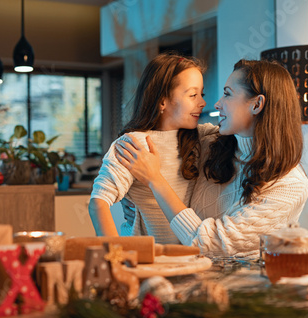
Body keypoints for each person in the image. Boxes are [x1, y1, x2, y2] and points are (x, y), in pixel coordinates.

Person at [115, 59, 308, 257]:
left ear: (257, 104)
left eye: (227, 94)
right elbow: (159, 135)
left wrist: (155, 181)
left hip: (242, 286)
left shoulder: (290, 185)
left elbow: (212, 244)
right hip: (186, 274)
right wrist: (134, 194)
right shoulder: (210, 143)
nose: (217, 104)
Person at [89, 53, 217, 243]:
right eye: (192, 95)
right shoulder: (134, 144)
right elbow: (97, 203)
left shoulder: (202, 137)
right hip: (143, 258)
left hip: (188, 256)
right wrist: (114, 255)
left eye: (202, 94)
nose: (203, 102)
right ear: (162, 101)